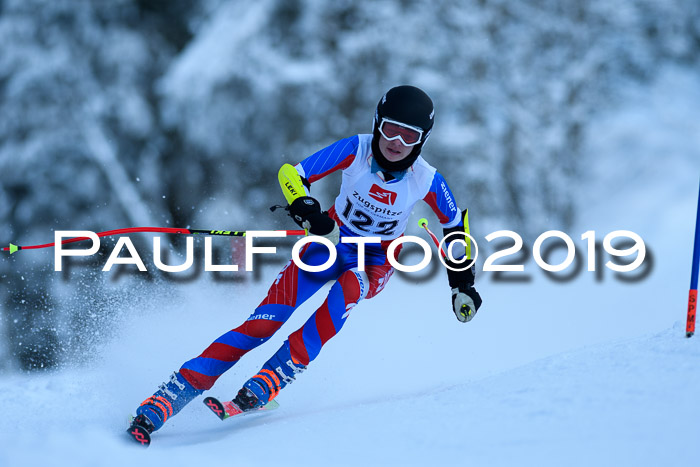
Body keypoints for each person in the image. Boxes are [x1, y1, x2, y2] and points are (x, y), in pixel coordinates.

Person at [128, 85, 483, 438]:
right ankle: (173, 394)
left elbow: (455, 229)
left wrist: (461, 283)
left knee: (351, 285)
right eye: (391, 128)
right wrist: (311, 213)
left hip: (376, 261)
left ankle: (274, 375)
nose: (397, 142)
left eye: (410, 136)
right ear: (377, 122)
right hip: (330, 241)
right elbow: (292, 175)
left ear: (422, 140)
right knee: (263, 325)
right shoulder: (356, 149)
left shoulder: (428, 179)